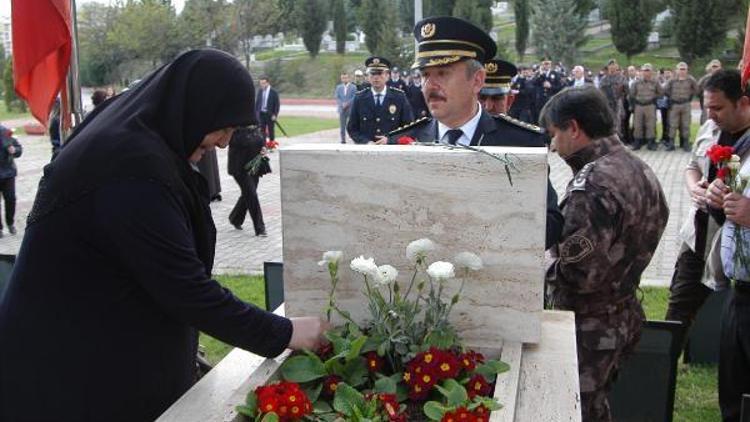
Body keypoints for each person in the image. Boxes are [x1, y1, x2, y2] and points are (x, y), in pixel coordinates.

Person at [0, 49, 329, 422]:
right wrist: (285, 333)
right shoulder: (130, 167)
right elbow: (186, 289)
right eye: (223, 127)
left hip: (98, 347)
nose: (224, 143)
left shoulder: (139, 132)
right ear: (194, 106)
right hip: (67, 373)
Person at [541, 86, 669, 422]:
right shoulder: (637, 167)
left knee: (575, 410)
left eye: (554, 135)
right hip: (622, 315)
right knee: (595, 407)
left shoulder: (593, 185)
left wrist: (541, 262)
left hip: (587, 329)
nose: (553, 147)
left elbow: (579, 274)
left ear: (573, 128)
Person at [387, 16, 563, 249]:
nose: (430, 85)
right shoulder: (401, 143)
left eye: (442, 72)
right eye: (425, 75)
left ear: (477, 80)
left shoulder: (521, 142)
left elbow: (550, 224)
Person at [702, 69, 750, 422]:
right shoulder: (739, 144)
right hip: (740, 289)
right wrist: (719, 203)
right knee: (732, 394)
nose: (710, 116)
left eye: (718, 108)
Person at [663, 118, 720, 348]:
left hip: (735, 236)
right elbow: (692, 166)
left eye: (718, 108)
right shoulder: (709, 127)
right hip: (698, 232)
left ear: (741, 103)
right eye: (709, 108)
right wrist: (694, 186)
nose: (713, 115)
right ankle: (665, 367)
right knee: (680, 300)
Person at [347, 56, 414, 144]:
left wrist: (390, 140)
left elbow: (410, 127)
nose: (376, 77)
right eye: (372, 74)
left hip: (391, 150)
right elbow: (352, 128)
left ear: (387, 76)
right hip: (366, 151)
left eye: (379, 73)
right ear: (367, 77)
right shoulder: (359, 98)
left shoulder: (399, 97)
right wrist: (365, 142)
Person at [228, 126, 269, 237]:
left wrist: (263, 147)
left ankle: (235, 218)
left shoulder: (255, 124)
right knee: (251, 194)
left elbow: (261, 136)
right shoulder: (235, 130)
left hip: (254, 165)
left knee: (248, 194)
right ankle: (260, 228)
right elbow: (235, 142)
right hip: (239, 167)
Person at [664, 62, 698, 152]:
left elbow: (696, 89)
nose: (682, 71)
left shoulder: (691, 79)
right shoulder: (672, 80)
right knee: (673, 124)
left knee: (685, 124)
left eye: (684, 69)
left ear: (687, 70)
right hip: (674, 105)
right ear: (677, 70)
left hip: (685, 104)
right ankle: (671, 143)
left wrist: (690, 96)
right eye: (680, 69)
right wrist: (670, 97)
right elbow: (665, 89)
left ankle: (685, 143)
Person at [629, 63, 663, 151]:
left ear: (651, 72)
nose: (646, 72)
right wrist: (633, 106)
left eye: (648, 70)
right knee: (637, 125)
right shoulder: (636, 82)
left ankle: (651, 143)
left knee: (651, 125)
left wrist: (654, 97)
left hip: (650, 105)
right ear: (641, 72)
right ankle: (637, 143)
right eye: (644, 71)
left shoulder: (655, 82)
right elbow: (631, 94)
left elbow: (661, 93)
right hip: (639, 106)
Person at [0, 125, 21, 237]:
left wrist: (15, 150)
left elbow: (19, 149)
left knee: (11, 198)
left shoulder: (6, 132)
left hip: (8, 173)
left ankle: (10, 223)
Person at [598, 59, 628, 139]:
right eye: (610, 66)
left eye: (614, 66)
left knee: (618, 122)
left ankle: (618, 139)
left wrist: (621, 91)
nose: (612, 68)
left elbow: (627, 90)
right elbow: (600, 92)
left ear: (616, 67)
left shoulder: (622, 78)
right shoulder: (603, 79)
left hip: (618, 103)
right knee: (608, 122)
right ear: (608, 68)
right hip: (607, 104)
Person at [255, 76, 280, 142]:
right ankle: (264, 145)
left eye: (263, 83)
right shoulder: (260, 91)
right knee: (262, 130)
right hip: (261, 114)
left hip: (270, 114)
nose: (262, 85)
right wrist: (256, 113)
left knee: (271, 129)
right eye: (261, 83)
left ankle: (271, 144)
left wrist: (275, 115)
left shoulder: (273, 92)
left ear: (268, 83)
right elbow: (257, 103)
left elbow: (277, 105)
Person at [698, 59, 722, 124]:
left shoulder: (723, 78)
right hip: (707, 103)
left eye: (716, 66)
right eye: (713, 66)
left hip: (720, 103)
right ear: (710, 67)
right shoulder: (704, 79)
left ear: (720, 67)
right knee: (705, 121)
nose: (715, 68)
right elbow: (699, 90)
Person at [334, 72, 356, 143]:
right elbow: (337, 97)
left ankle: (354, 139)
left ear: (349, 78)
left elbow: (354, 97)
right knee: (342, 126)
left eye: (345, 78)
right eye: (343, 78)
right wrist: (341, 104)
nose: (344, 79)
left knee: (352, 125)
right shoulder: (338, 87)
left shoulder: (353, 87)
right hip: (342, 109)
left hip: (350, 109)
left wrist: (347, 103)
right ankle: (343, 140)